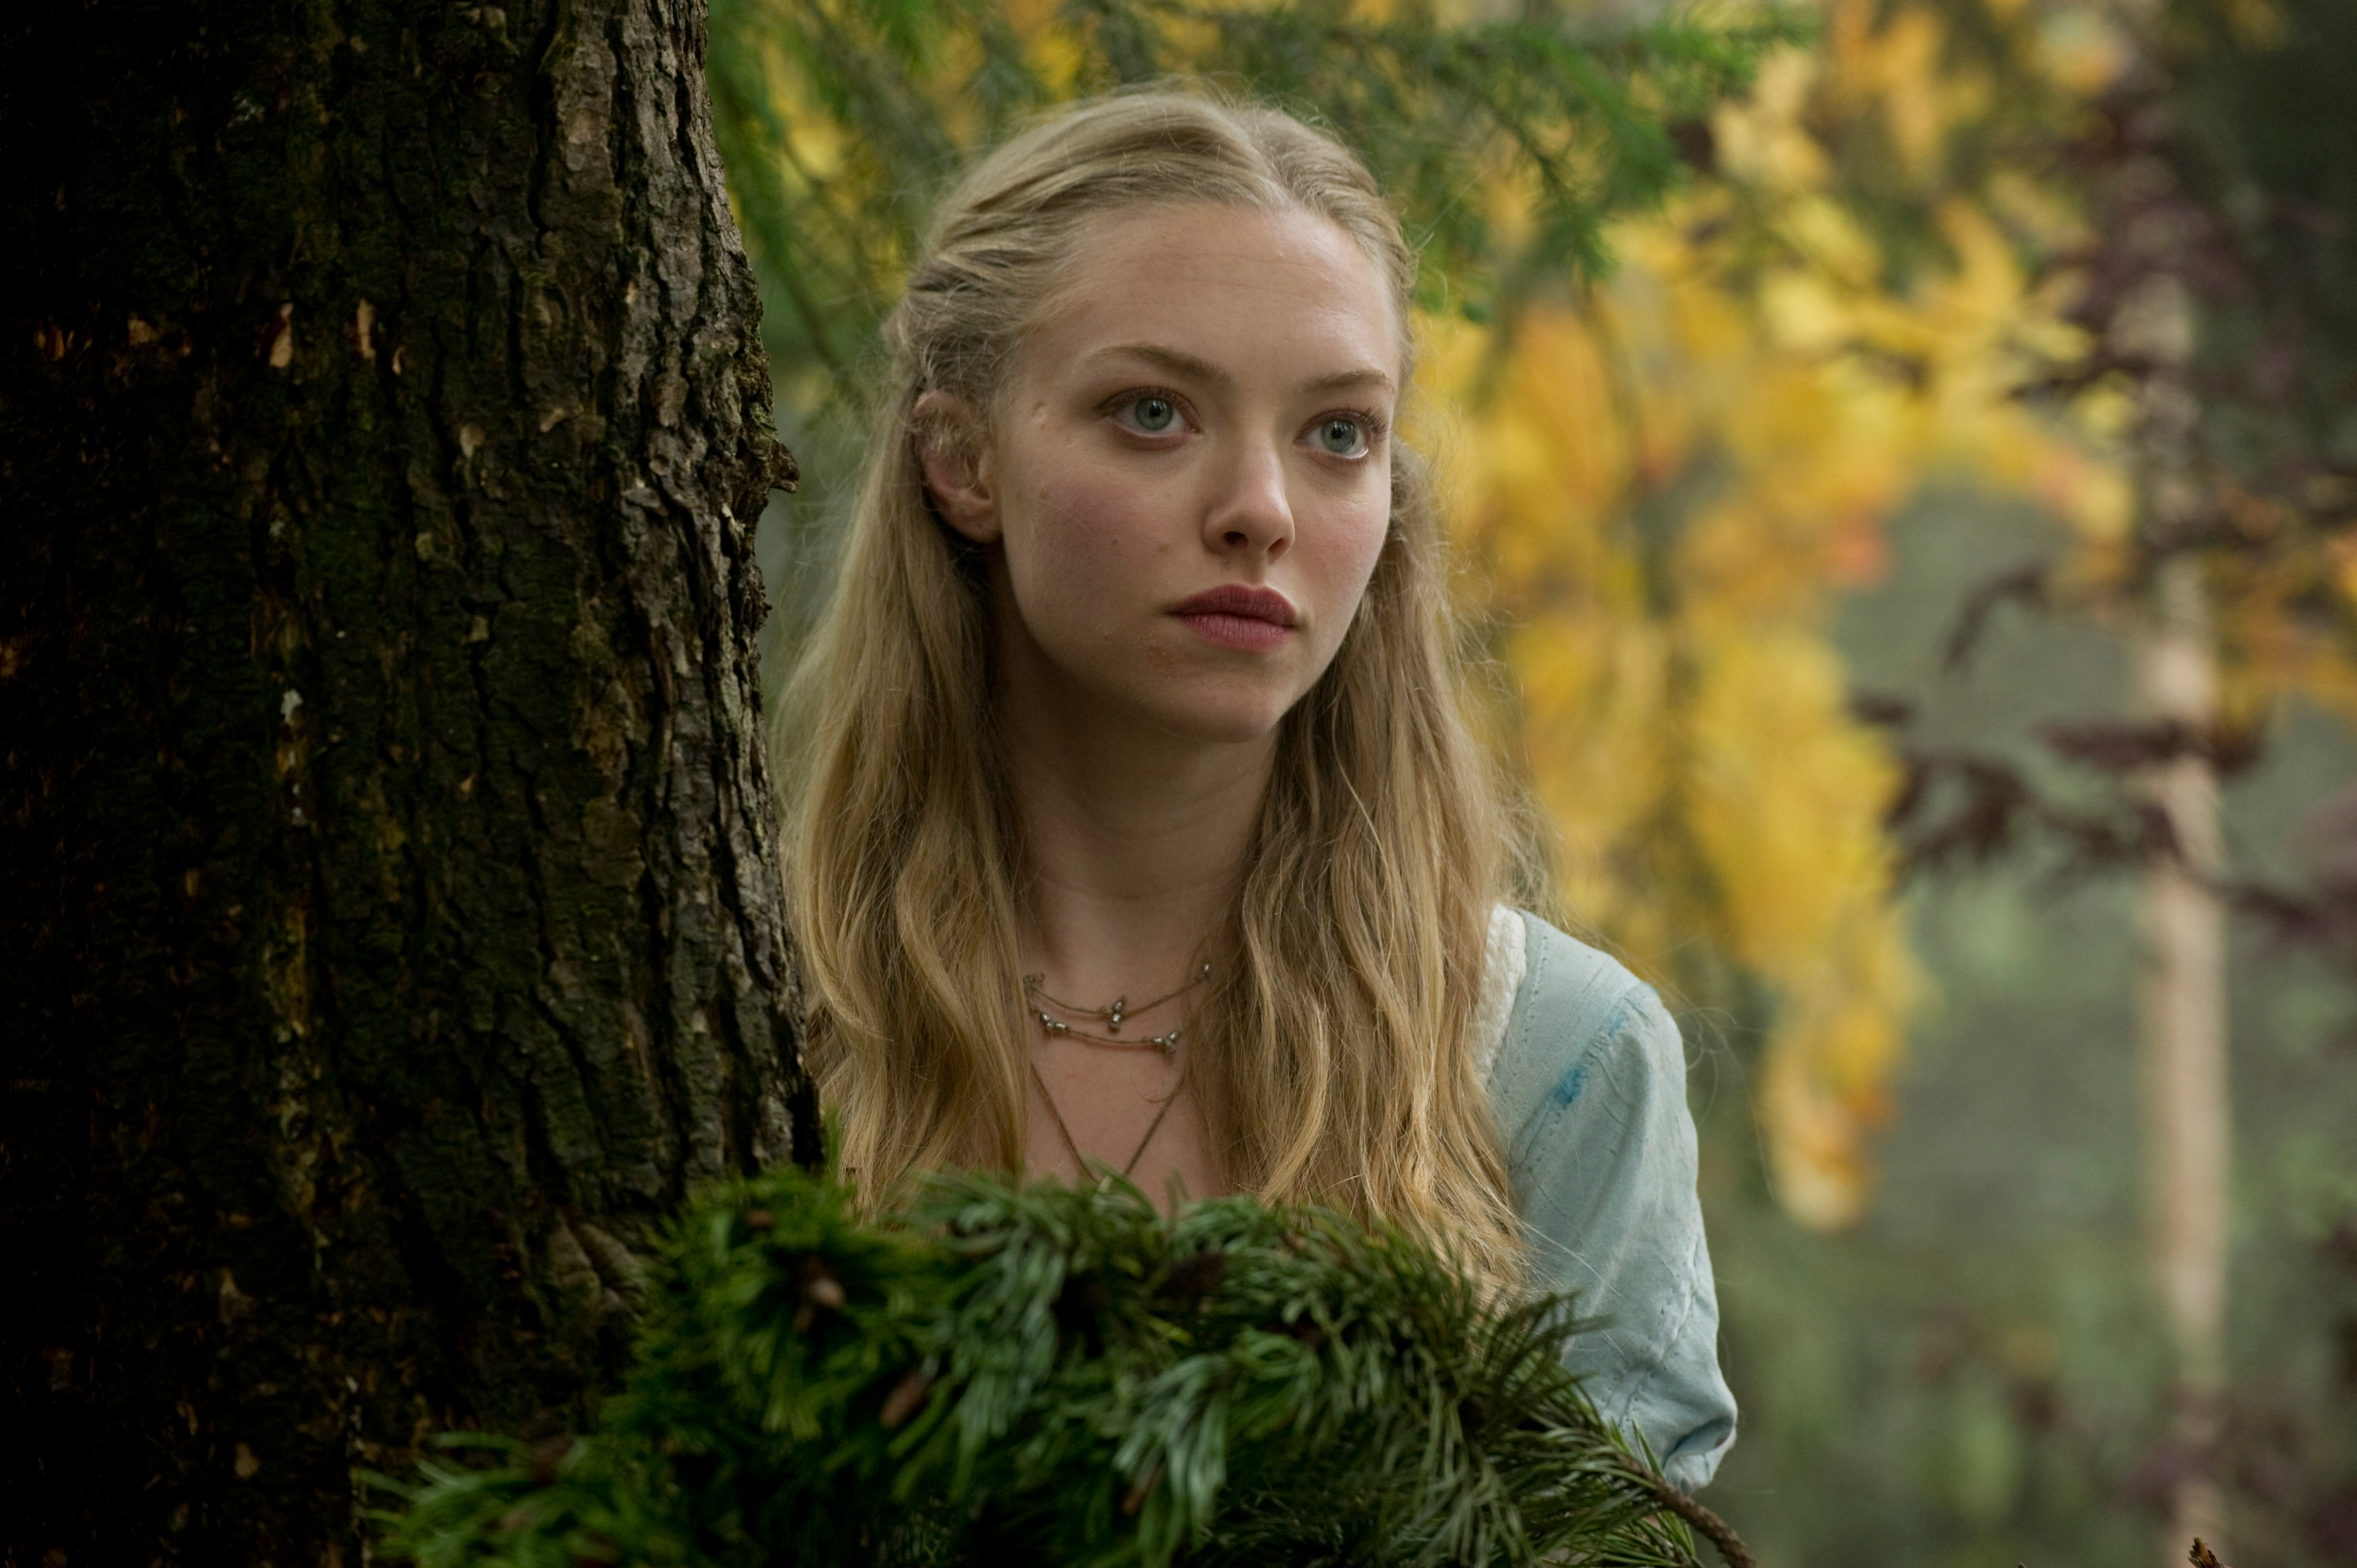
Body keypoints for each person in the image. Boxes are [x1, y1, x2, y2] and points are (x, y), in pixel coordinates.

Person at [773, 89, 1737, 1492]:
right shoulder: (752, 1011)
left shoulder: (1548, 1061)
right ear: (961, 459)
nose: (1260, 508)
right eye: (1152, 412)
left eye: (1336, 434)